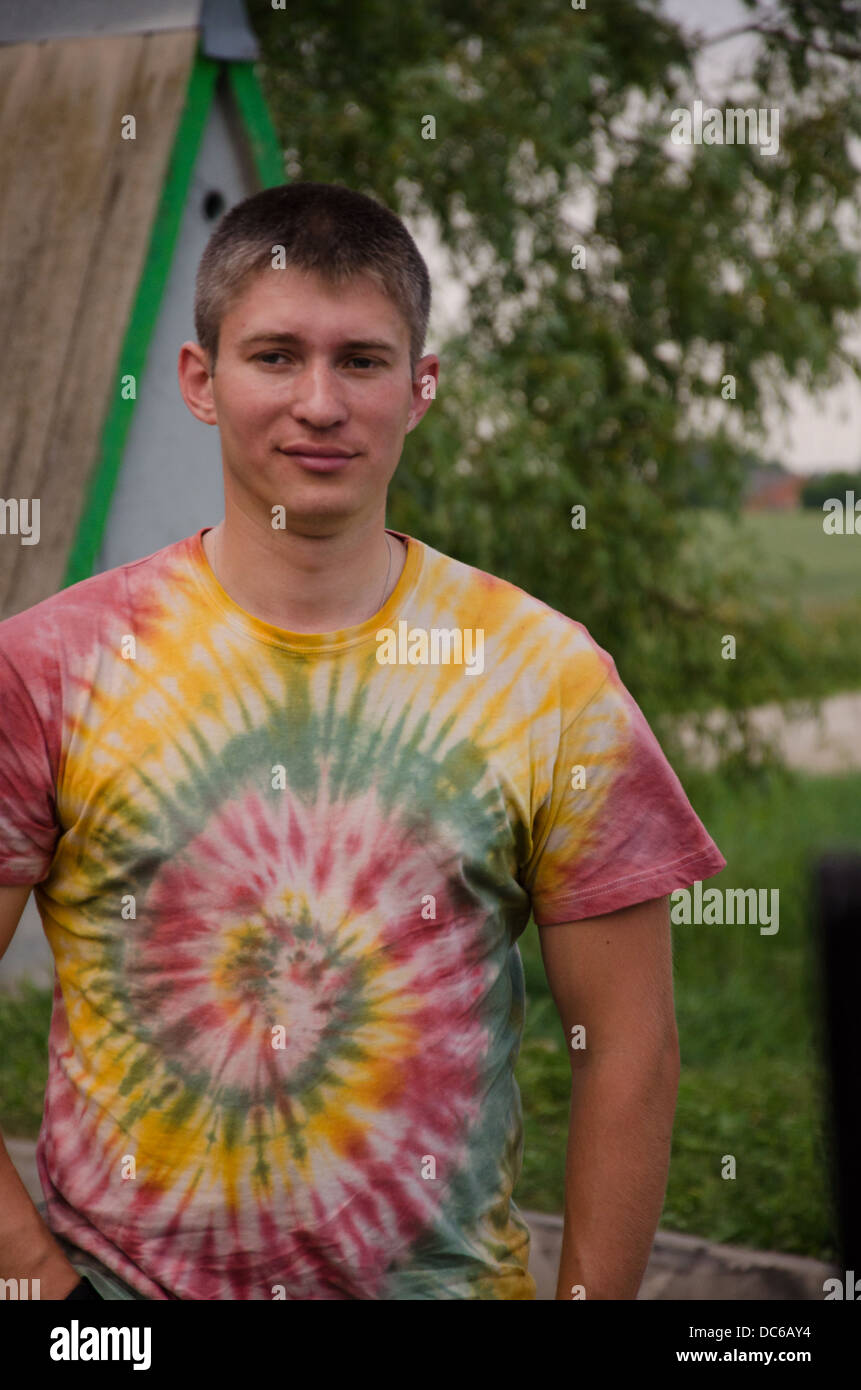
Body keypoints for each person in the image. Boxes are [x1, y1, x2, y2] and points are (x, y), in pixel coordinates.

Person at [0, 181, 725, 1301]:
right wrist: (43, 1292)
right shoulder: (51, 665)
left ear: (421, 387)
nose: (321, 403)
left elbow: (630, 1052)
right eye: (276, 356)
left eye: (364, 361)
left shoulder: (549, 676)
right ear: (201, 380)